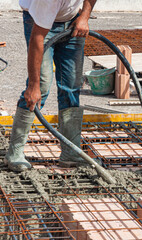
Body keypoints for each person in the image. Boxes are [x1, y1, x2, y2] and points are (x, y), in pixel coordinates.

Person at [4, 0, 97, 172]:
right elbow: (37, 38)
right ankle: (14, 153)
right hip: (39, 23)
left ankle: (71, 152)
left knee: (72, 84)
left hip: (72, 19)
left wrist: (84, 16)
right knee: (42, 84)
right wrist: (33, 85)